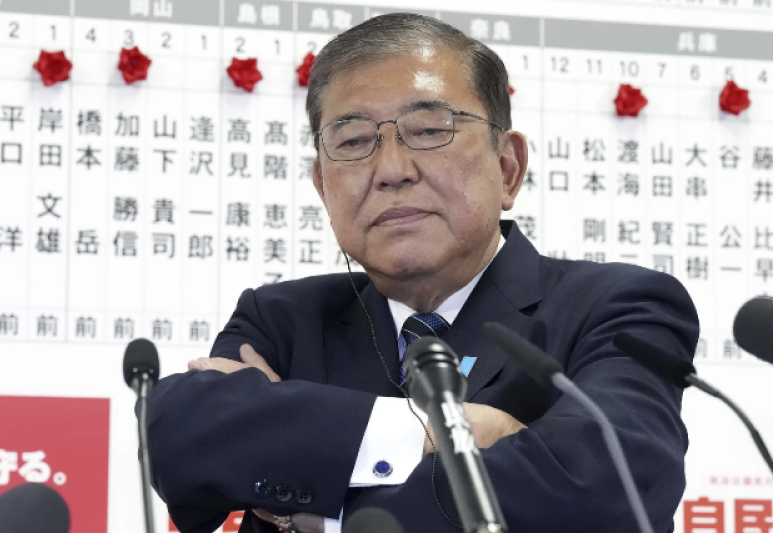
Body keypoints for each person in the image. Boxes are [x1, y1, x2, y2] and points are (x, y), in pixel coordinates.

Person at [147, 13, 698, 533]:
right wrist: (437, 434)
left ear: (508, 168)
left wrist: (317, 495)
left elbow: (611, 488)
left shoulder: (619, 306)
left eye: (430, 129)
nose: (391, 170)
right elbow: (183, 442)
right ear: (322, 186)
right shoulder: (283, 319)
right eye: (354, 141)